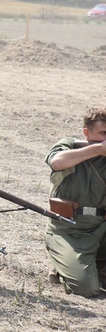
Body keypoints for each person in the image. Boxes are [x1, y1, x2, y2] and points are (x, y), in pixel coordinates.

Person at [44, 107, 106, 297]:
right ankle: (63, 266)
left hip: (101, 227)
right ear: (87, 133)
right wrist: (98, 149)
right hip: (69, 229)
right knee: (86, 288)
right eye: (103, 133)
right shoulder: (69, 145)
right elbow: (57, 162)